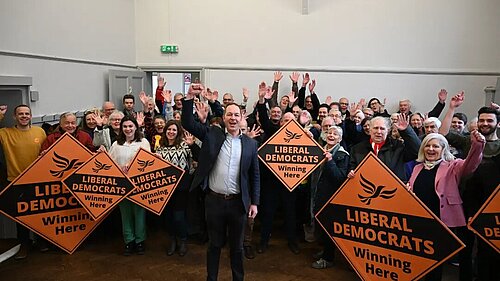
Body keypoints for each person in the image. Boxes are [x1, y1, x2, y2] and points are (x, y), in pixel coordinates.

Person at [181, 83, 260, 281]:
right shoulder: (212, 134)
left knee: (237, 247)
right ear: (223, 118)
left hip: (238, 204)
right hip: (214, 201)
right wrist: (189, 97)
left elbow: (254, 175)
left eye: (236, 115)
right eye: (229, 115)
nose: (233, 118)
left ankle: (238, 278)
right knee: (214, 245)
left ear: (242, 118)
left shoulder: (251, 144)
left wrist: (254, 202)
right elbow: (189, 123)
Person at [408, 132, 485, 281]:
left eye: (435, 146)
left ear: (443, 149)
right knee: (423, 260)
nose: (431, 149)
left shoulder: (453, 166)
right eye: (428, 146)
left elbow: (471, 164)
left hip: (442, 221)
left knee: (437, 261)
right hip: (420, 220)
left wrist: (477, 145)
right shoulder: (417, 168)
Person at [0, 104, 46, 259]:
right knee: (20, 216)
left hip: (37, 180)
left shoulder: (40, 131)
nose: (24, 116)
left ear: (31, 116)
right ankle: (24, 245)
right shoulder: (5, 133)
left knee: (39, 213)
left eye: (27, 113)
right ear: (14, 117)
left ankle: (41, 241)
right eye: (20, 114)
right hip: (16, 181)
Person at [156, 120, 199, 257]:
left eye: (174, 130)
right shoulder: (160, 148)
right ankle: (172, 240)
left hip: (181, 188)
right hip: (165, 188)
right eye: (169, 129)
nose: (171, 132)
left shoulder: (184, 146)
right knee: (168, 217)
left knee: (179, 217)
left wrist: (192, 145)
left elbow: (197, 158)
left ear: (178, 132)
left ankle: (183, 240)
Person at [109, 116, 151, 255]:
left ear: (135, 127)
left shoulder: (143, 142)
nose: (128, 129)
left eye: (130, 126)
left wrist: (131, 165)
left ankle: (140, 241)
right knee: (125, 214)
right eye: (125, 126)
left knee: (139, 213)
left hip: (139, 183)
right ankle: (129, 241)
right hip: (122, 184)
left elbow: (147, 159)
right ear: (121, 128)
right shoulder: (116, 144)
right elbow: (110, 162)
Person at [310, 126, 349, 269]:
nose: (331, 135)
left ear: (340, 138)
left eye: (335, 134)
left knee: (329, 229)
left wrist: (330, 161)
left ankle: (328, 258)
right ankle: (325, 251)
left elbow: (340, 178)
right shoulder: (320, 149)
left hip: (331, 198)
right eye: (329, 133)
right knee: (321, 227)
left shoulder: (342, 155)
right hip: (318, 195)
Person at [349, 115, 421, 182]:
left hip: (392, 191)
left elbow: (417, 151)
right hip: (367, 190)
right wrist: (351, 173)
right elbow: (352, 168)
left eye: (382, 128)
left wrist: (406, 131)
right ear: (370, 130)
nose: (379, 132)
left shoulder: (397, 146)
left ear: (388, 131)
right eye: (376, 128)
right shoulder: (357, 149)